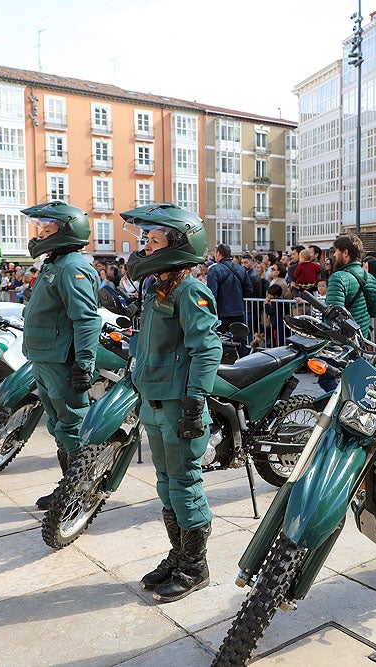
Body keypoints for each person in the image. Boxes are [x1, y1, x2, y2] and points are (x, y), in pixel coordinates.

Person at [121, 202, 222, 604]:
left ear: (177, 245)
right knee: (166, 486)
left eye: (154, 239)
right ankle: (179, 555)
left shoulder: (190, 289)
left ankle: (195, 567)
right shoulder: (155, 286)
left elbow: (207, 349)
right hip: (154, 401)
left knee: (184, 486)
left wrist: (196, 402)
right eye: (146, 238)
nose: (145, 246)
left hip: (180, 405)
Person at [18, 201, 102, 508]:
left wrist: (83, 364)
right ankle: (68, 488)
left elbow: (86, 320)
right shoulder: (54, 265)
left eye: (47, 229)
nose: (40, 234)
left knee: (71, 427)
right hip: (43, 357)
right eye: (40, 228)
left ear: (66, 232)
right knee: (58, 426)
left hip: (60, 360)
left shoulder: (72, 268)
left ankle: (79, 493)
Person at [322, 234, 376, 390]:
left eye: (336, 251)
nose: (334, 255)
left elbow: (334, 315)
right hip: (361, 339)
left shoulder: (338, 277)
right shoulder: (370, 278)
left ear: (345, 253)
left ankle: (338, 409)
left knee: (325, 376)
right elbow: (375, 310)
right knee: (356, 381)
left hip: (340, 341)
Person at [206, 244, 252, 335]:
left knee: (223, 342)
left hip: (222, 313)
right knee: (240, 342)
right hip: (239, 312)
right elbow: (249, 290)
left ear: (218, 253)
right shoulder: (241, 269)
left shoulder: (214, 270)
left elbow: (212, 294)